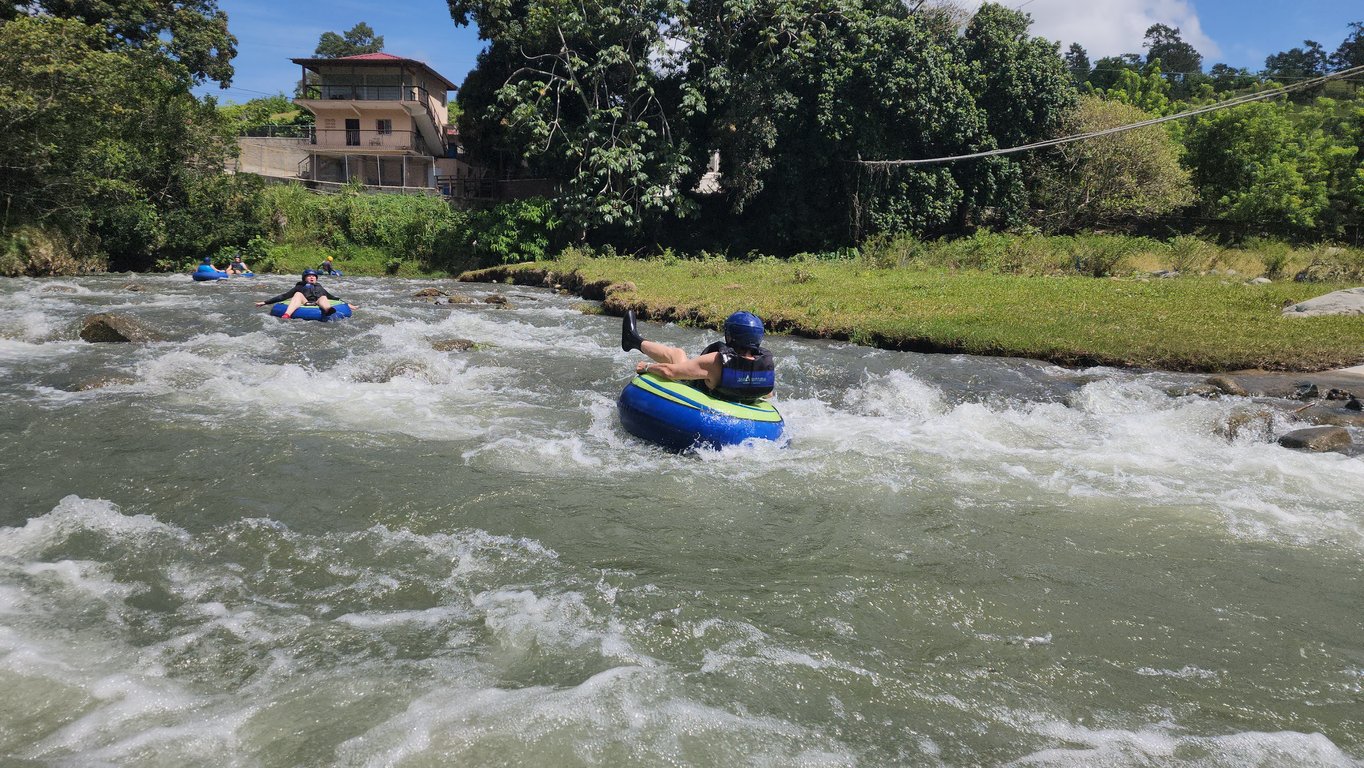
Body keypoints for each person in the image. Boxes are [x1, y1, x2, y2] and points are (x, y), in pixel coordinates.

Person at [621, 309, 775, 401]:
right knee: (679, 355)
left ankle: (633, 339)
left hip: (700, 392)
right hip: (734, 402)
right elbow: (768, 394)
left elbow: (670, 372)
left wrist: (647, 367)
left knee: (678, 353)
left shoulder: (716, 361)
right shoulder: (764, 366)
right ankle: (633, 340)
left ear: (730, 335)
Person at [255, 269, 347, 319]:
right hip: (304, 301)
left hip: (317, 302)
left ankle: (328, 310)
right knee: (298, 294)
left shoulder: (320, 287)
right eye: (309, 276)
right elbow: (284, 296)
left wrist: (346, 304)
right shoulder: (299, 286)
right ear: (304, 278)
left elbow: (332, 297)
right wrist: (265, 302)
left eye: (313, 276)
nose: (312, 278)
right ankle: (287, 314)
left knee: (323, 297)